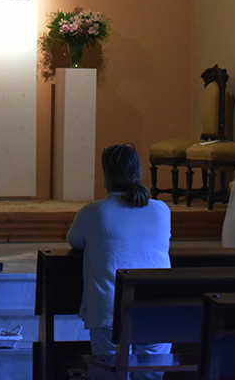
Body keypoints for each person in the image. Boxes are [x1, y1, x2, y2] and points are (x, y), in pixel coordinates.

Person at [66, 144, 171, 380]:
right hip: (158, 307)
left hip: (109, 310)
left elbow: (74, 240)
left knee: (110, 376)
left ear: (106, 177)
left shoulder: (95, 212)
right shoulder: (161, 211)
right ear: (138, 173)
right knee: (151, 376)